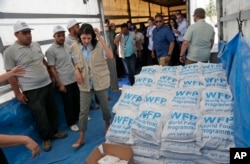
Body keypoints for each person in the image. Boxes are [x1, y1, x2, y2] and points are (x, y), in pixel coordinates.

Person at [3, 21, 67, 152]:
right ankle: (46, 138)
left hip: (47, 84)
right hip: (31, 90)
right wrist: (18, 93)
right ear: (16, 34)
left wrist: (51, 77)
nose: (28, 35)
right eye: (24, 33)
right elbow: (11, 75)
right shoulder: (9, 52)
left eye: (29, 32)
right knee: (40, 115)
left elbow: (43, 61)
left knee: (52, 110)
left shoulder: (36, 45)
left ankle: (54, 132)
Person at [70, 23, 113, 148]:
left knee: (105, 106)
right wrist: (76, 70)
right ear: (79, 37)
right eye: (84, 38)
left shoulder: (99, 44)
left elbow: (110, 56)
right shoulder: (74, 47)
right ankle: (81, 137)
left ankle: (107, 124)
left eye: (89, 38)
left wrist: (99, 36)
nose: (86, 41)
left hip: (100, 81)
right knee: (83, 111)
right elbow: (74, 61)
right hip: (85, 84)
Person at [45, 25, 80, 132]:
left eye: (63, 35)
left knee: (77, 100)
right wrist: (60, 84)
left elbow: (73, 61)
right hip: (64, 81)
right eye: (59, 36)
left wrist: (77, 73)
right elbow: (52, 68)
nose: (62, 38)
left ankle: (79, 117)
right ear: (54, 36)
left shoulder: (67, 46)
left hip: (73, 78)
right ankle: (71, 122)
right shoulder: (50, 51)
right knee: (68, 104)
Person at [103, 19, 119, 91]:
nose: (106, 26)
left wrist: (116, 50)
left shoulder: (112, 32)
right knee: (107, 73)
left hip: (112, 54)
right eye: (105, 25)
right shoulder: (101, 33)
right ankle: (110, 87)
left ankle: (115, 87)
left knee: (113, 72)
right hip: (105, 56)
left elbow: (115, 41)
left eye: (107, 25)